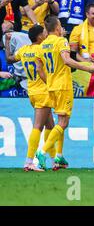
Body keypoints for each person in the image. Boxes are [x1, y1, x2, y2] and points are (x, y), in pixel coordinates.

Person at [35, 15, 94, 170]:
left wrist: (48, 81)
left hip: (52, 87)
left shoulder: (42, 45)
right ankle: (42, 152)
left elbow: (39, 69)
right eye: (61, 26)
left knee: (61, 120)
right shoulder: (61, 41)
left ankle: (59, 156)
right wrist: (88, 67)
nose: (62, 28)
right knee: (63, 122)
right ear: (57, 28)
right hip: (63, 85)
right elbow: (67, 60)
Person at [7, 25, 57, 171]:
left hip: (32, 91)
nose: (47, 34)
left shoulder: (24, 50)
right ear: (40, 36)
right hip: (43, 91)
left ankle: (54, 161)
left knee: (50, 126)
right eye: (45, 33)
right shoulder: (41, 50)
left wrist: (8, 43)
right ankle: (29, 161)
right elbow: (42, 68)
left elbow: (10, 59)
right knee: (38, 127)